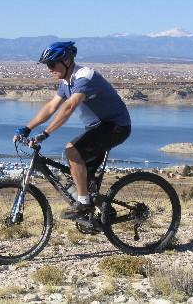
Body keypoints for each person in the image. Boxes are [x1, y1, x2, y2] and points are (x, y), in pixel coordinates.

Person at [13, 41, 131, 219]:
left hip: (116, 126)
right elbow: (52, 106)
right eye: (47, 65)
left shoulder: (84, 77)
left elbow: (69, 107)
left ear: (67, 61)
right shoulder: (66, 82)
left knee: (71, 150)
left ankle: (83, 205)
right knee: (77, 179)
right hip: (98, 129)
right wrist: (27, 128)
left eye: (52, 64)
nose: (49, 69)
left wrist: (46, 133)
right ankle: (104, 213)